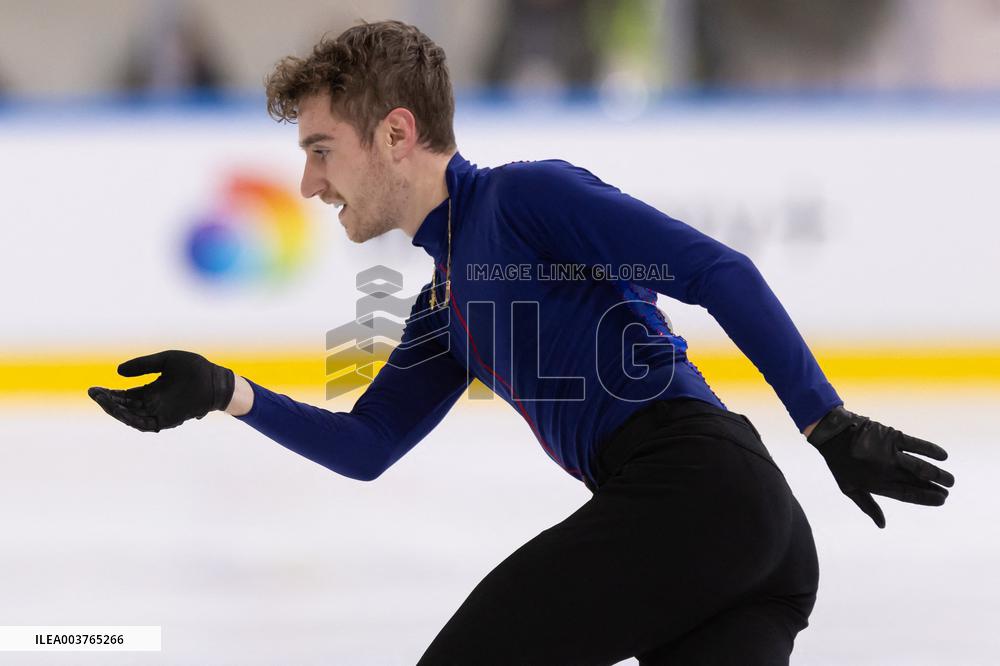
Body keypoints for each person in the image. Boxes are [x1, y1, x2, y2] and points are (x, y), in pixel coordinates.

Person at [88, 20, 955, 665]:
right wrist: (224, 391)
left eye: (321, 149)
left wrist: (827, 423)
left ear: (395, 133)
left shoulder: (523, 199)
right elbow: (366, 446)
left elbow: (717, 271)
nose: (309, 182)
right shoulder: (448, 300)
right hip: (741, 534)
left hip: (698, 494)